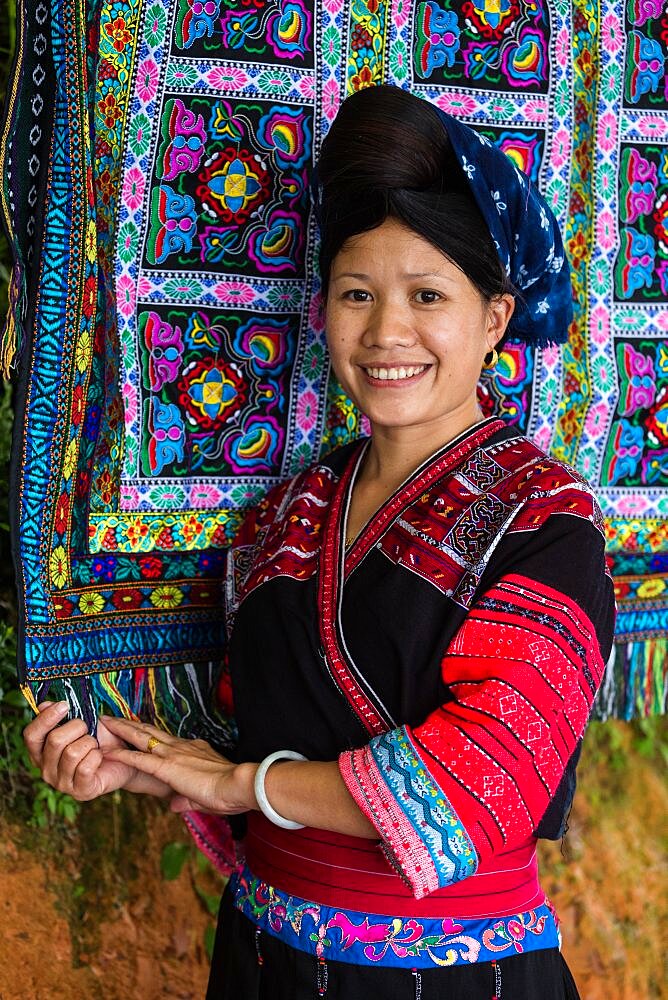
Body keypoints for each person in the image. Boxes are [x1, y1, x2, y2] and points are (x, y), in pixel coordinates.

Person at [24, 86, 615, 999]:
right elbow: (252, 750)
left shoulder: (544, 519)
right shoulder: (289, 515)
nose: (386, 334)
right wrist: (133, 767)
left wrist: (241, 786)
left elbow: (485, 784)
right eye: (355, 294)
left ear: (494, 319)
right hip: (263, 962)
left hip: (456, 978)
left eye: (427, 295)